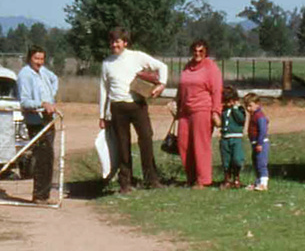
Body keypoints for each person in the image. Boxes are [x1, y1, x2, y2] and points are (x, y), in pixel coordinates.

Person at [99, 26, 167, 194]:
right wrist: (102, 114)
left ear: (125, 42)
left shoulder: (137, 57)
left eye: (118, 41)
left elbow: (162, 67)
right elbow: (103, 90)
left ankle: (151, 179)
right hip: (117, 107)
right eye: (112, 41)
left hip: (137, 105)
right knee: (122, 145)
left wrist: (161, 85)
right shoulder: (107, 63)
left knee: (146, 139)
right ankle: (125, 182)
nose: (115, 44)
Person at [174, 38, 222, 189]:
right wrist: (177, 104)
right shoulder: (188, 66)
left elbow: (216, 91)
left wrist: (215, 112)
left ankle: (203, 179)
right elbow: (181, 88)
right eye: (195, 50)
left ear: (206, 52)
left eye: (201, 51)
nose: (197, 53)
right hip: (185, 111)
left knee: (200, 145)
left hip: (202, 109)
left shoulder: (211, 67)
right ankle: (191, 177)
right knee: (183, 144)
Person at [17, 45, 59, 204]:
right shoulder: (24, 75)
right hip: (36, 121)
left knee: (48, 157)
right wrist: (42, 103)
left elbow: (55, 79)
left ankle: (44, 195)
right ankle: (39, 196)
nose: (39, 62)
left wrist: (51, 98)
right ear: (29, 58)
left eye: (42, 59)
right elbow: (24, 101)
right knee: (41, 158)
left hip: (48, 119)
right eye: (36, 59)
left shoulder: (43, 72)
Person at [218, 86, 246, 189]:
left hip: (236, 138)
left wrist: (235, 108)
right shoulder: (223, 110)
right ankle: (227, 179)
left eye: (230, 101)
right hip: (225, 138)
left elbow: (241, 120)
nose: (228, 104)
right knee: (226, 160)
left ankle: (237, 177)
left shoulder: (239, 109)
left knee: (237, 159)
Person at [244, 92, 270, 191]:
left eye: (250, 106)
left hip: (261, 143)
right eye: (246, 106)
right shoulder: (253, 115)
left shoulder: (259, 116)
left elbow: (263, 130)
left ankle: (264, 183)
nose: (248, 108)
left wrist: (259, 143)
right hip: (255, 143)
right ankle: (258, 182)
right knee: (256, 163)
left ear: (257, 104)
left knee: (261, 163)